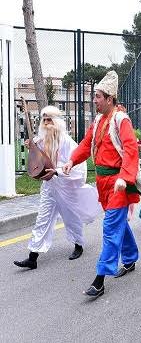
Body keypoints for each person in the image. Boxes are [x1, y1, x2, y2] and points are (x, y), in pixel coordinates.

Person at [63, 71, 141, 297]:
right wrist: (71, 161)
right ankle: (130, 257)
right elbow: (86, 144)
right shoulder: (97, 121)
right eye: (94, 97)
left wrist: (125, 178)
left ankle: (100, 278)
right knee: (118, 224)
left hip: (118, 183)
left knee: (109, 228)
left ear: (109, 99)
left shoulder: (121, 120)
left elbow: (130, 149)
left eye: (97, 97)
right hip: (103, 183)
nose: (94, 101)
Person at [13, 106, 100, 270]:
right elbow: (38, 159)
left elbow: (77, 167)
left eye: (49, 120)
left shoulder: (67, 142)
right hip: (49, 188)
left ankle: (78, 245)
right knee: (42, 219)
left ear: (57, 122)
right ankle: (33, 257)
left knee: (71, 219)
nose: (46, 123)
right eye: (44, 120)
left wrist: (58, 172)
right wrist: (31, 146)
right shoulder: (40, 140)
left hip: (66, 187)